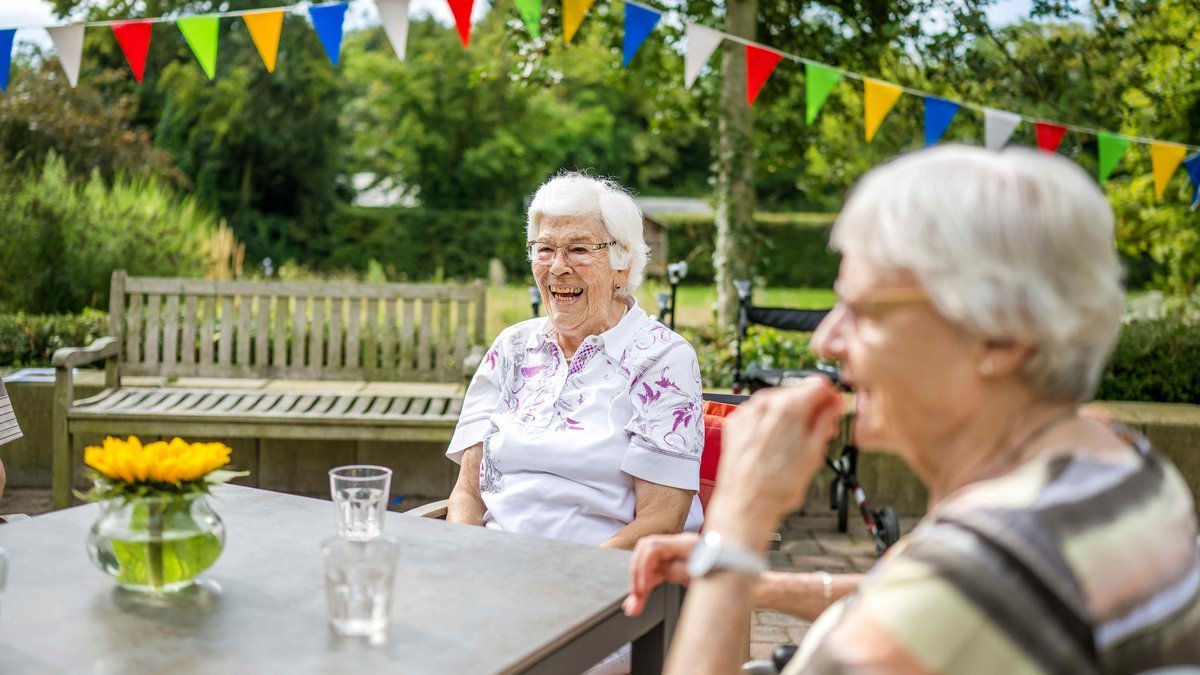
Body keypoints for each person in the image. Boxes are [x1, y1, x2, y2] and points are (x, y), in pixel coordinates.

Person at [624, 146, 1200, 674]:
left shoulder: (986, 569)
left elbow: (960, 592)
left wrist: (736, 533)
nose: (825, 340)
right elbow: (918, 598)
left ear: (1000, 336)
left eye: (865, 311)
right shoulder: (1117, 456)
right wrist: (760, 580)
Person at [444, 171, 704, 550]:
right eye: (544, 249)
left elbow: (660, 521)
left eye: (580, 250)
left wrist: (574, 580)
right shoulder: (512, 347)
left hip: (603, 580)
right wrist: (464, 558)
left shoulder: (662, 360)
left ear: (623, 265)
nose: (557, 267)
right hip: (492, 569)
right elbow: (467, 493)